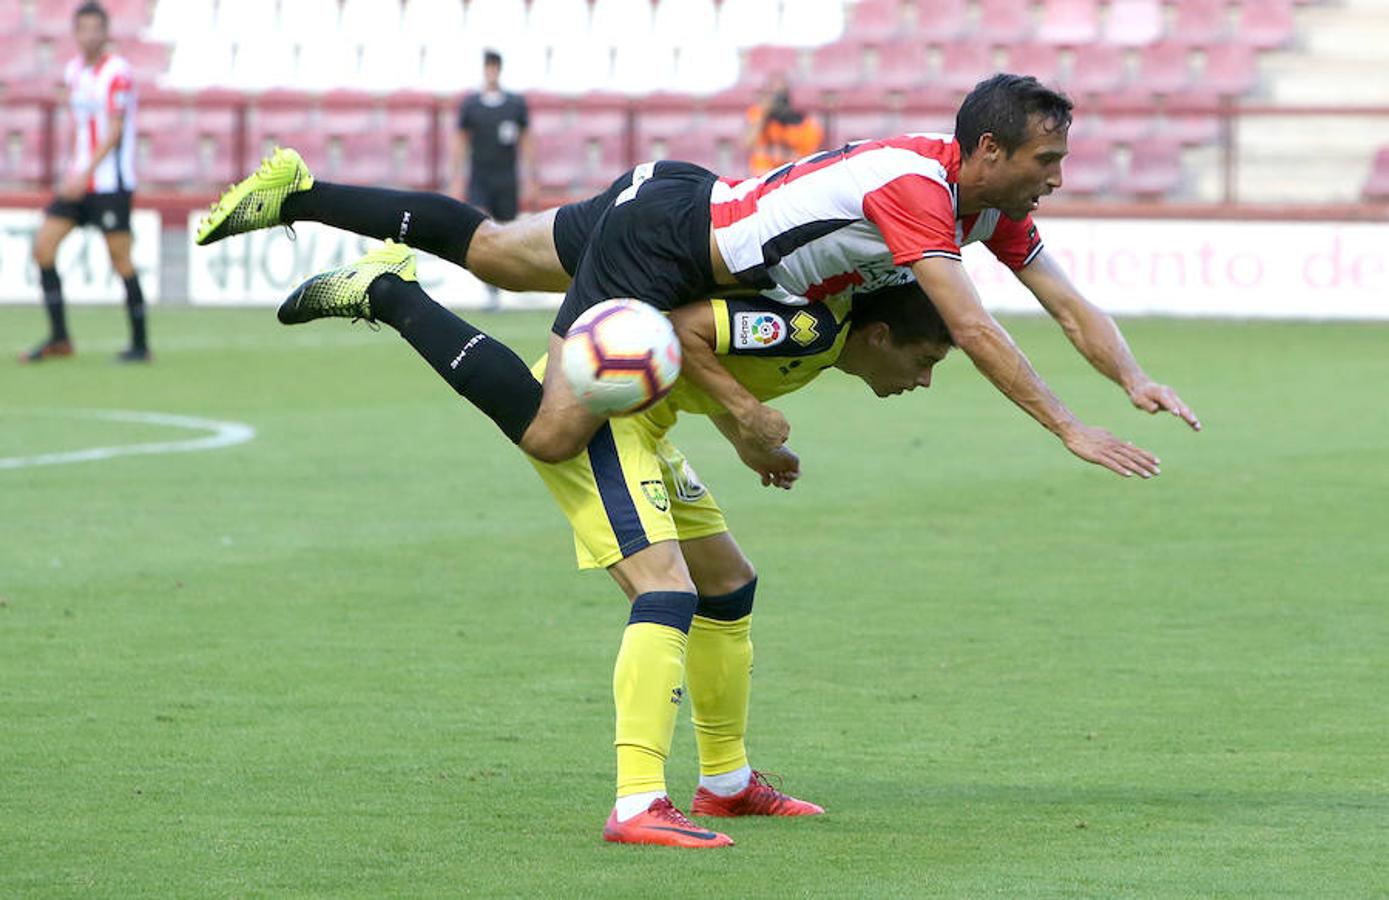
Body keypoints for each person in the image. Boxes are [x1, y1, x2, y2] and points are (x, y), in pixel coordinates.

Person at [277, 238, 954, 847]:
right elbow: (686, 331)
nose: (921, 380)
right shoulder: (807, 329)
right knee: (665, 589)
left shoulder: (819, 331)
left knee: (727, 583)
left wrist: (742, 440)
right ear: (880, 334)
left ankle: (724, 781)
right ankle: (637, 802)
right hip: (606, 413)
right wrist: (748, 418)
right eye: (923, 361)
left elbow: (708, 360)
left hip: (645, 426)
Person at [196, 74, 1198, 478]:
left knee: (496, 248)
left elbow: (1067, 298)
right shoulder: (918, 191)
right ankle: (386, 290)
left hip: (679, 195)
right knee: (553, 432)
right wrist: (1069, 426)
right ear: (985, 151)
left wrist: (1132, 380)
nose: (1054, 181)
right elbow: (977, 331)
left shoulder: (990, 207)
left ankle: (299, 191)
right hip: (669, 244)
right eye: (1043, 163)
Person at [20, 1, 150, 364]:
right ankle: (60, 338)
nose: (90, 35)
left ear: (106, 32)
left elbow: (114, 132)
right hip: (79, 181)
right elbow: (81, 130)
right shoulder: (74, 71)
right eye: (84, 28)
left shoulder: (118, 73)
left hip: (109, 185)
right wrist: (72, 170)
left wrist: (85, 174)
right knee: (43, 248)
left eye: (97, 28)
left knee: (121, 260)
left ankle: (140, 345)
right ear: (75, 33)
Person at [449, 49, 529, 226]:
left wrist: (531, 176)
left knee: (507, 228)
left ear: (499, 69)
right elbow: (461, 141)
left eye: (495, 66)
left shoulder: (515, 104)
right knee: (478, 224)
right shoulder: (471, 104)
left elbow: (526, 140)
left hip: (506, 178)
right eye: (488, 66)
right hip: (480, 177)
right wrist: (456, 177)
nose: (491, 71)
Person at [745, 75, 824, 176]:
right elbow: (749, 143)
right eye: (772, 94)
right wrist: (764, 114)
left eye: (780, 94)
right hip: (764, 175)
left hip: (791, 175)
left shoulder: (805, 123)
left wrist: (785, 155)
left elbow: (809, 158)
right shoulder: (758, 114)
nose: (777, 100)